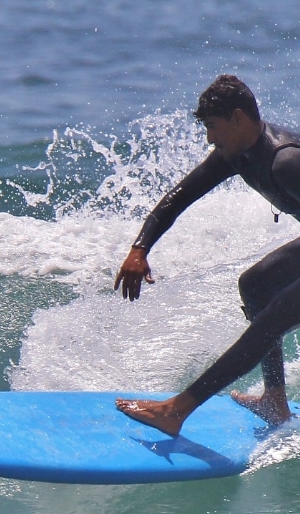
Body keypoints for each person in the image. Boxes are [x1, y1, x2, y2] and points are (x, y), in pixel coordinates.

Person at [113, 74, 300, 436]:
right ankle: (274, 401)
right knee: (256, 285)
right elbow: (180, 196)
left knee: (270, 322)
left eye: (213, 127)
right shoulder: (236, 152)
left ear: (238, 119)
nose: (209, 138)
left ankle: (176, 410)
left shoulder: (286, 161)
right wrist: (140, 248)